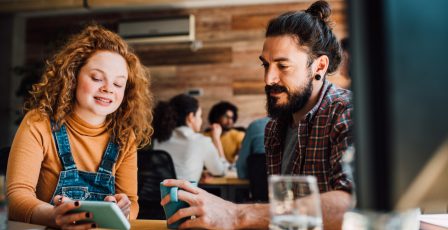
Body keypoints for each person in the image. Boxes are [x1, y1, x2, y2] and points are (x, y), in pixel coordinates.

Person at [160, 1, 353, 229]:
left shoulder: (347, 112)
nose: (268, 79)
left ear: (319, 67)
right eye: (265, 65)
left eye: (283, 66)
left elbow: (352, 204)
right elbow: (281, 214)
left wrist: (236, 214)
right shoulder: (275, 127)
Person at [6, 25, 153, 228]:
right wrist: (53, 216)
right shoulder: (39, 123)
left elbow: (131, 201)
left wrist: (125, 210)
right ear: (73, 76)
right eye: (97, 78)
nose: (108, 89)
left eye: (118, 84)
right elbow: (16, 198)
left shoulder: (124, 137)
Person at [152, 94, 227, 182]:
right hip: (182, 195)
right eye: (200, 116)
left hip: (153, 194)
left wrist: (199, 171)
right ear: (191, 117)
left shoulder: (159, 138)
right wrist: (216, 139)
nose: (201, 120)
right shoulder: (200, 141)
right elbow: (220, 171)